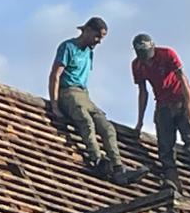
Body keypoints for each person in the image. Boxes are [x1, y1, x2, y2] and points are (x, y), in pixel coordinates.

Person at [47, 17, 146, 185]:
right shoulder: (68, 47)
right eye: (97, 36)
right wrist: (55, 105)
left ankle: (118, 167)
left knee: (107, 127)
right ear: (87, 30)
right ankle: (97, 160)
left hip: (84, 94)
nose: (99, 41)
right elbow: (55, 75)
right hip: (68, 91)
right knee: (86, 121)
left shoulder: (89, 52)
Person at [131, 34, 190, 199]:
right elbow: (143, 92)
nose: (147, 60)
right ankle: (172, 179)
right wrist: (139, 121)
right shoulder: (137, 65)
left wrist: (189, 108)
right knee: (165, 145)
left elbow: (183, 79)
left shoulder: (167, 54)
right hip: (163, 105)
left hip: (181, 99)